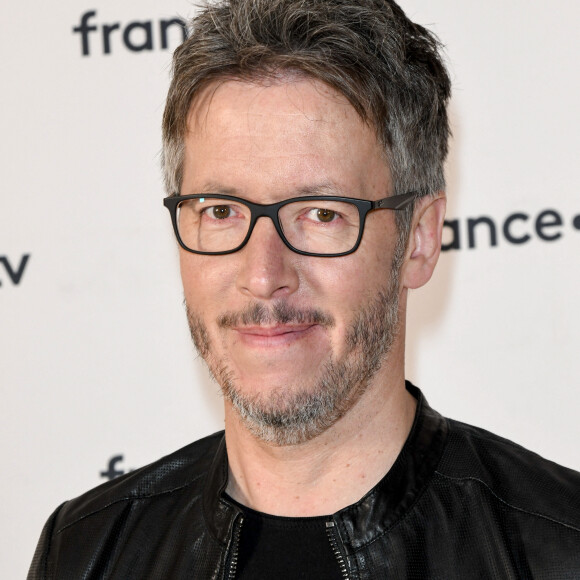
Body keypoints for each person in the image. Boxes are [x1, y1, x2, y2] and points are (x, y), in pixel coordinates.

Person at [29, 0, 580, 578]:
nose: (264, 274)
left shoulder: (559, 549)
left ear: (418, 239)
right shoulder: (86, 551)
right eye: (220, 210)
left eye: (321, 214)